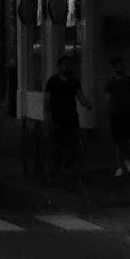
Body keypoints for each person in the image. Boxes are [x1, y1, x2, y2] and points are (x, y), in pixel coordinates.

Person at [42, 52, 85, 186]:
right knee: (55, 147)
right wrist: (47, 116)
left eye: (68, 65)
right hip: (57, 119)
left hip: (71, 118)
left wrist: (89, 106)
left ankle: (70, 169)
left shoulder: (74, 81)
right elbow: (47, 100)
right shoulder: (52, 81)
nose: (66, 68)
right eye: (64, 65)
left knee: (72, 146)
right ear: (59, 67)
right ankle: (53, 172)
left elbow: (80, 96)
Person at [103, 56, 130, 178]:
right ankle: (120, 166)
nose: (120, 68)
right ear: (114, 68)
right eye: (118, 66)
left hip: (128, 113)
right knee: (117, 142)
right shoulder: (111, 83)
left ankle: (127, 160)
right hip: (116, 114)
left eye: (122, 66)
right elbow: (108, 99)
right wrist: (108, 114)